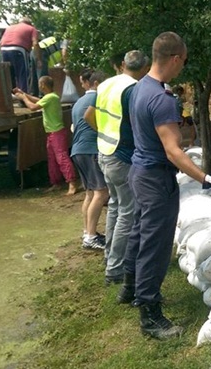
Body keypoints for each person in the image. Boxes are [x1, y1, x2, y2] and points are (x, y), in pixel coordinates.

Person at [120, 32, 211, 339]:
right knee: (155, 246)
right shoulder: (162, 99)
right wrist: (206, 179)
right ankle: (150, 314)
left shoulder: (138, 88)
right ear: (174, 59)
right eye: (183, 60)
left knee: (139, 233)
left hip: (139, 172)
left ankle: (129, 287)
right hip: (156, 179)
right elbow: (173, 151)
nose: (183, 66)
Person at [84, 50, 149, 285]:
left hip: (104, 152)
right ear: (145, 68)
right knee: (127, 212)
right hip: (121, 156)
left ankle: (109, 257)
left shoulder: (106, 84)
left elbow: (88, 115)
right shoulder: (133, 89)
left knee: (115, 207)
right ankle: (115, 269)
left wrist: (103, 133)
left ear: (123, 64)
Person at [14, 76, 77, 195]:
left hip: (56, 132)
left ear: (43, 85)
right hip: (52, 133)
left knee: (62, 158)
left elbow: (33, 107)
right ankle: (56, 183)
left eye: (39, 83)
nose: (38, 86)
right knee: (52, 159)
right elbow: (38, 100)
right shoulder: (51, 97)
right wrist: (24, 94)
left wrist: (23, 98)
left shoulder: (50, 97)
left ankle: (72, 183)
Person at [70, 70, 109, 251]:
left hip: (77, 150)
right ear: (97, 84)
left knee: (90, 194)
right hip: (91, 150)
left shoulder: (79, 102)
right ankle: (91, 237)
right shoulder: (98, 99)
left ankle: (87, 232)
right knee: (102, 192)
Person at [0, 17, 40, 93]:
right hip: (19, 50)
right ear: (30, 23)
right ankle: (23, 95)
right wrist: (38, 60)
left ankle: (10, 94)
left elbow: (0, 43)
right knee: (23, 74)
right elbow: (35, 43)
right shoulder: (32, 29)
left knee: (8, 75)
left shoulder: (9, 28)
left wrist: (1, 57)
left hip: (4, 49)